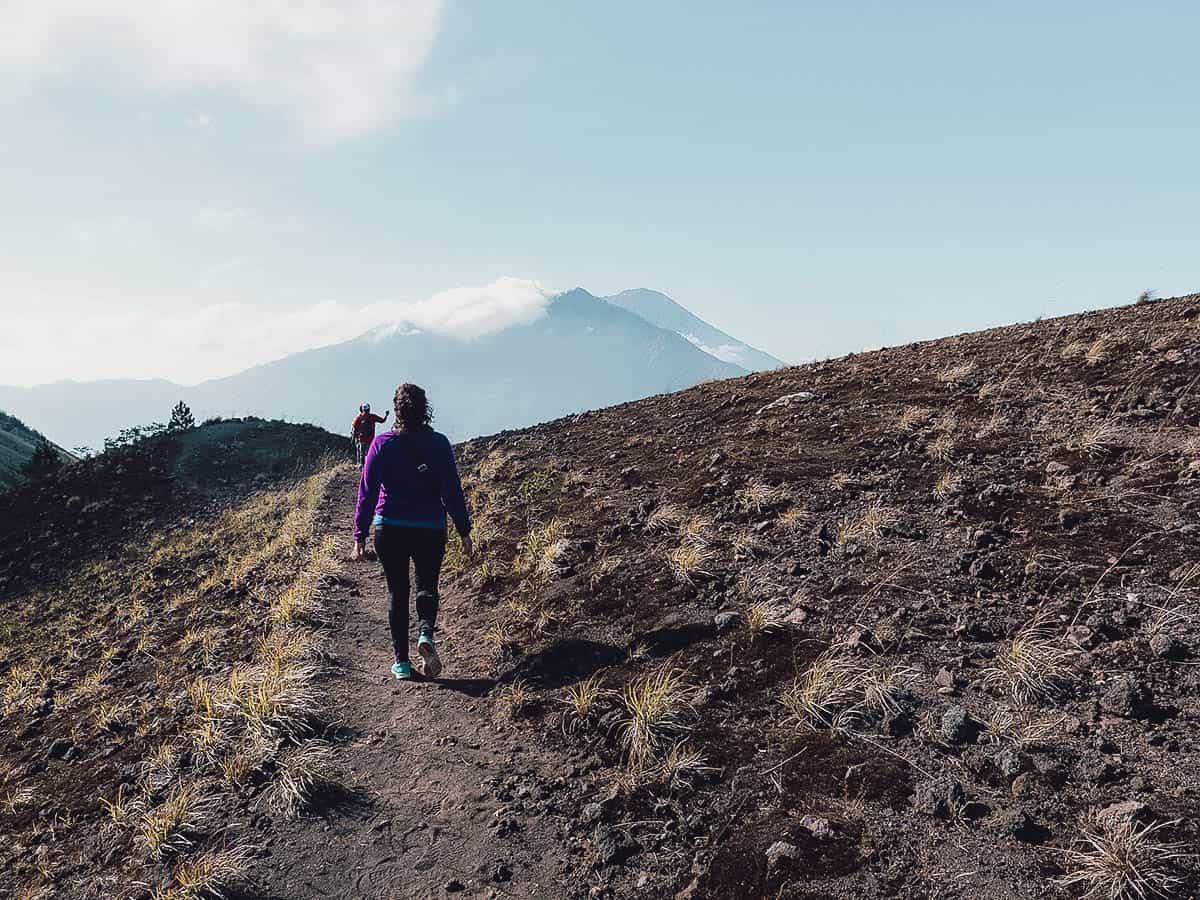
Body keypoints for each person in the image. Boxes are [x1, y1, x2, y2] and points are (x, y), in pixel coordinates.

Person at [351, 384, 472, 680]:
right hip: (430, 526)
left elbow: (366, 492)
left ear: (398, 410)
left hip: (389, 526)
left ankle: (401, 663)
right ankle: (426, 635)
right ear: (425, 409)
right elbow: (452, 491)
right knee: (427, 585)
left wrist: (359, 535)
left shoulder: (381, 444)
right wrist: (464, 529)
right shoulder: (440, 444)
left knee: (397, 591)